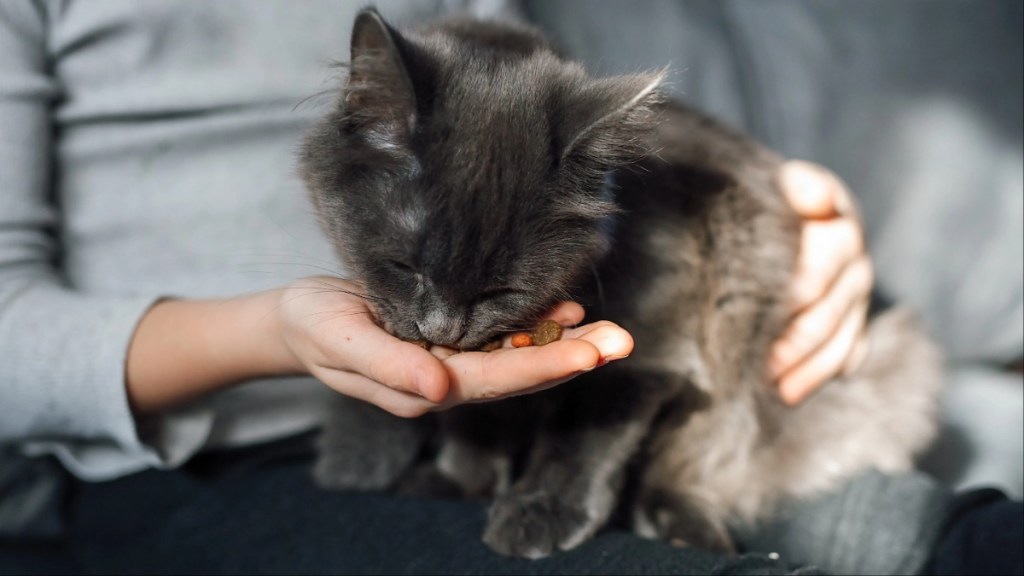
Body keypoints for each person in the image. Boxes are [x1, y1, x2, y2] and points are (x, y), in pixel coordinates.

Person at [1, 1, 1018, 575]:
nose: (438, 323)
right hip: (214, 464)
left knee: (960, 543)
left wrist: (779, 192)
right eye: (419, 286)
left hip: (545, 402)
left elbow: (566, 131)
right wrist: (278, 330)